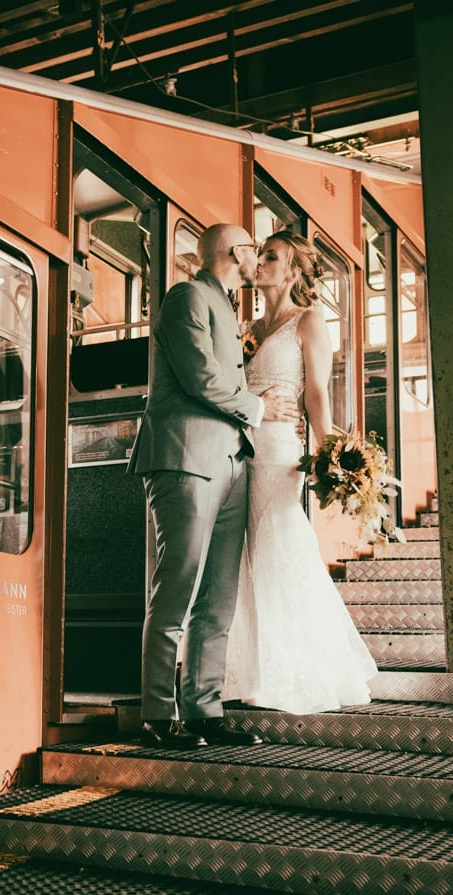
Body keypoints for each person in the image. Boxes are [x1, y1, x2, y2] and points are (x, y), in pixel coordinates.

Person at [127, 223, 299, 749]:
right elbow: (199, 374)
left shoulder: (223, 306)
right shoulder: (187, 297)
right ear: (235, 252)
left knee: (218, 595)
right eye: (253, 248)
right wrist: (258, 407)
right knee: (176, 586)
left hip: (232, 462)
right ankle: (158, 713)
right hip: (185, 460)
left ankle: (204, 710)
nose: (256, 258)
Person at [223, 230, 377, 713]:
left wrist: (328, 449)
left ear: (292, 270)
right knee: (245, 554)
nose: (261, 262)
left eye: (271, 256)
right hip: (238, 450)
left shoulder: (308, 321)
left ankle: (295, 671)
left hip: (278, 450)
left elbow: (315, 390)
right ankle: (252, 673)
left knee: (279, 545)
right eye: (261, 255)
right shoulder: (246, 326)